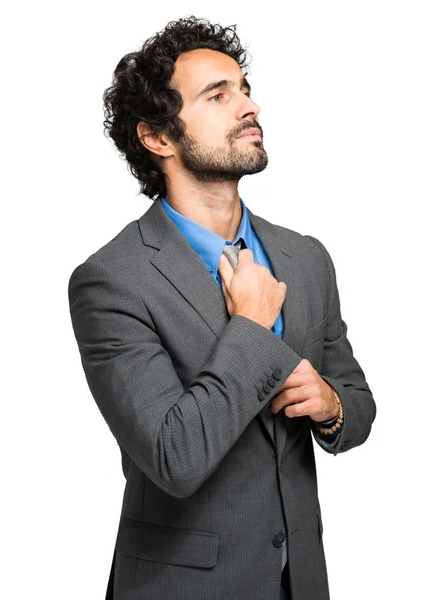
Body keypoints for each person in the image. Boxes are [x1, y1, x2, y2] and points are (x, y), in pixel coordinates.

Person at [68, 15, 376, 600]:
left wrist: (330, 406)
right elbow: (174, 456)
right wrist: (253, 328)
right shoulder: (111, 282)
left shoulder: (305, 257)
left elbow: (358, 406)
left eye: (245, 88)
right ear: (158, 139)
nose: (248, 106)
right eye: (218, 95)